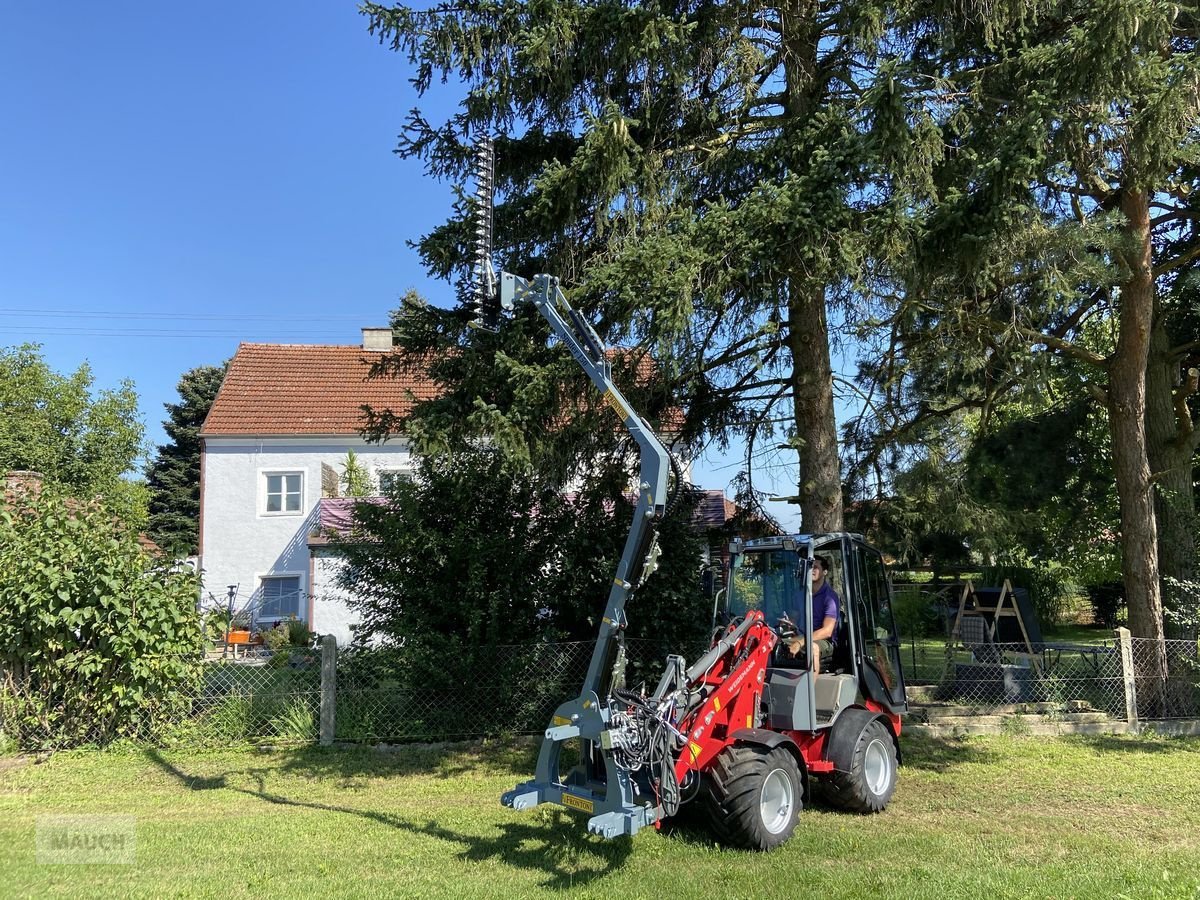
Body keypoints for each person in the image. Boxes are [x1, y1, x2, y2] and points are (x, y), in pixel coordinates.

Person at [781, 554, 839, 674]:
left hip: (824, 641)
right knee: (772, 644)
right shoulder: (800, 594)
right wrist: (787, 623)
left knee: (812, 648)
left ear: (825, 572)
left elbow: (827, 631)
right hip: (802, 637)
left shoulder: (830, 597)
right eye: (810, 567)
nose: (811, 570)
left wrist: (800, 642)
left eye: (816, 567)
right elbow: (794, 620)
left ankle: (809, 691)